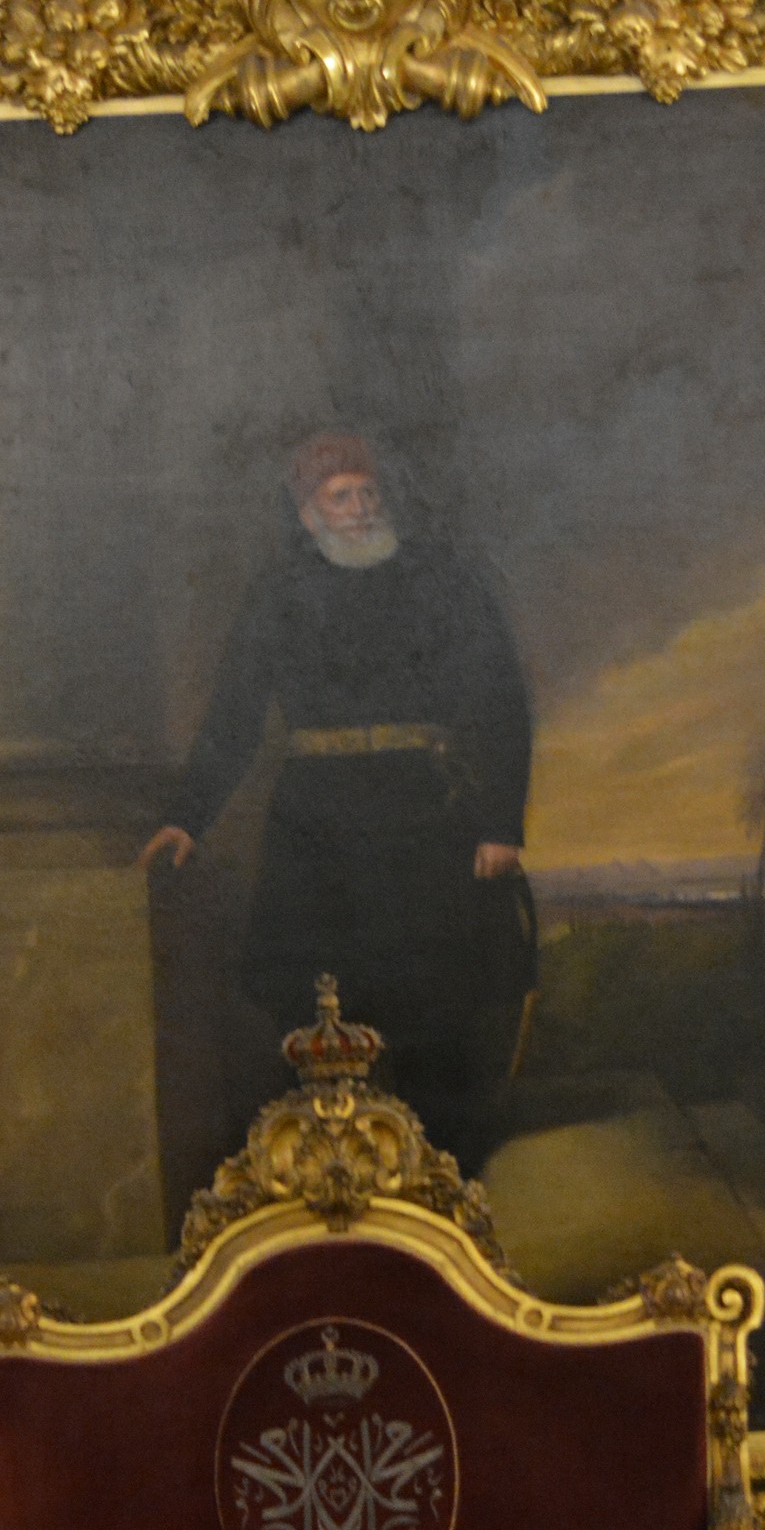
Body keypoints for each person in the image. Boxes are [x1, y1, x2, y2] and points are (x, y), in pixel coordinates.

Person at [142, 430, 535, 1164]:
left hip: (424, 817)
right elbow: (234, 712)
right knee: (317, 1002)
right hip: (316, 827)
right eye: (341, 497)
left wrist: (499, 823)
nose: (360, 508)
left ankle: (440, 1171)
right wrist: (187, 817)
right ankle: (335, 1172)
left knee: (434, 1006)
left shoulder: (440, 580)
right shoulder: (280, 594)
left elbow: (500, 702)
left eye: (368, 493)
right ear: (308, 514)